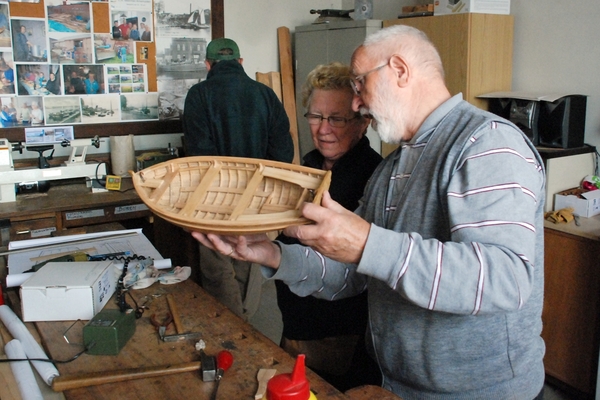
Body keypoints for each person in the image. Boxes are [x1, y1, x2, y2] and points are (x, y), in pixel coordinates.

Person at [193, 25, 546, 399]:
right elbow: (352, 274)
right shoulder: (392, 170)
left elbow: (505, 279)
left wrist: (367, 244)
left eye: (360, 85)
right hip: (395, 384)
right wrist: (272, 255)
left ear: (399, 69)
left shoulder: (486, 143)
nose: (357, 103)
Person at [275, 62, 382, 392]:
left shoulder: (372, 177)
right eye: (315, 116)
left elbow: (357, 271)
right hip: (296, 318)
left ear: (362, 123)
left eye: (336, 118)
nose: (323, 129)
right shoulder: (309, 165)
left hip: (337, 332)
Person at [183, 37, 294, 320]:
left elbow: (199, 156)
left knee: (218, 267)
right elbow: (284, 152)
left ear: (208, 64)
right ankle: (248, 329)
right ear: (240, 62)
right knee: (248, 259)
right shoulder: (265, 94)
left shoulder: (198, 94)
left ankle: (230, 332)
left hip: (214, 201)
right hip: (257, 199)